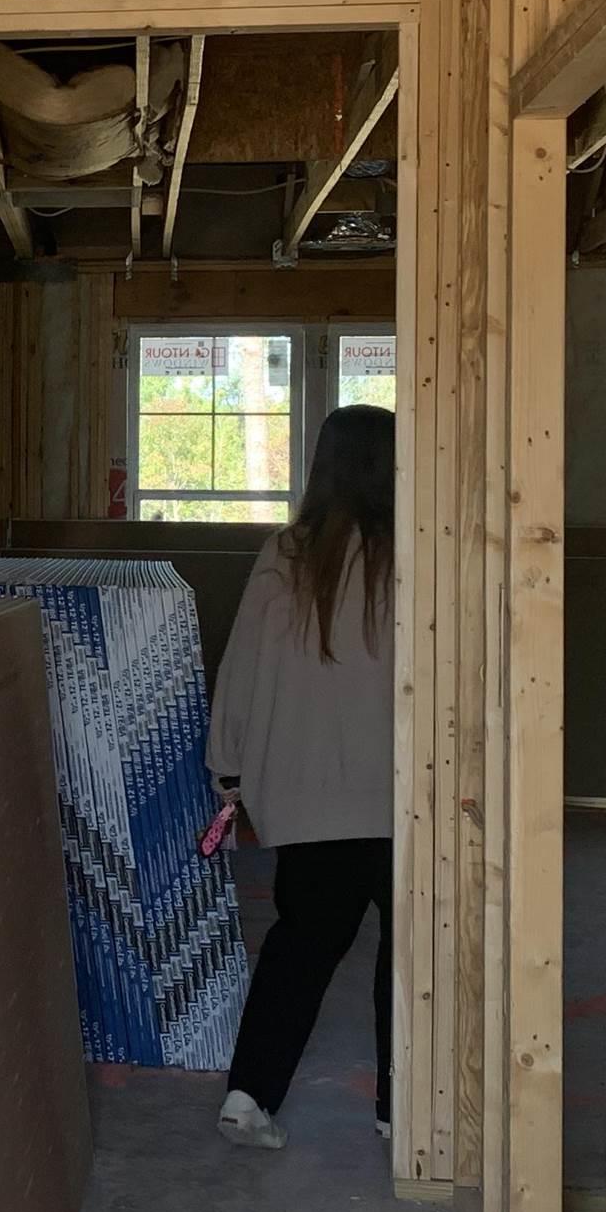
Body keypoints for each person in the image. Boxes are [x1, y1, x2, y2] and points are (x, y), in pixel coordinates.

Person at [203, 403, 395, 1151]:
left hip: (306, 799)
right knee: (411, 955)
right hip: (402, 799)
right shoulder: (417, 554)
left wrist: (227, 764)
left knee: (301, 945)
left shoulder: (285, 555)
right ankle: (401, 1107)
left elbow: (242, 666)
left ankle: (249, 1095)